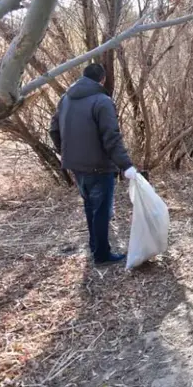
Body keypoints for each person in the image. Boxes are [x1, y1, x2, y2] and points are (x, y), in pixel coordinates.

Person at [49, 64, 138, 264]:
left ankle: (95, 248)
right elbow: (111, 138)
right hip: (99, 166)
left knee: (90, 207)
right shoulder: (102, 101)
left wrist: (67, 152)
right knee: (101, 211)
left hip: (76, 166)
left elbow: (53, 130)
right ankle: (101, 255)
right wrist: (126, 165)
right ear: (102, 80)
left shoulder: (66, 99)